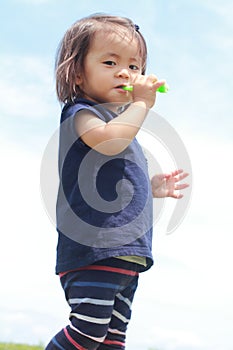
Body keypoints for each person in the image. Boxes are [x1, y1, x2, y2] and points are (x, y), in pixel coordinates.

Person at [45, 14, 189, 350]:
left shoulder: (119, 125)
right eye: (110, 62)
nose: (125, 73)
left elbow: (115, 173)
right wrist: (141, 103)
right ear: (78, 73)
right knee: (87, 332)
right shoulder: (81, 114)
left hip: (128, 254)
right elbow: (110, 142)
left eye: (135, 67)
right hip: (94, 249)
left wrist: (151, 187)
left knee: (112, 341)